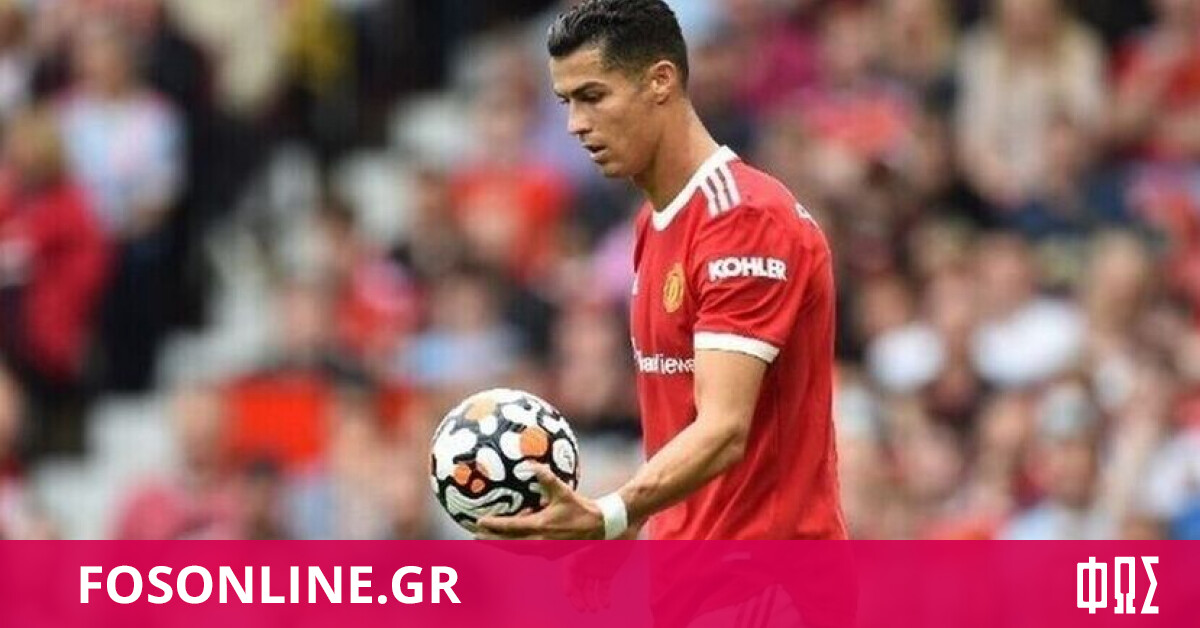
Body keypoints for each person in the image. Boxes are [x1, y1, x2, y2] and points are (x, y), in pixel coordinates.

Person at [478, 0, 846, 542]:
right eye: (566, 102)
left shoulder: (744, 218)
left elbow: (723, 430)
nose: (576, 124)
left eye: (592, 96)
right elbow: (679, 432)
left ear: (660, 81)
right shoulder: (653, 223)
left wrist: (610, 514)